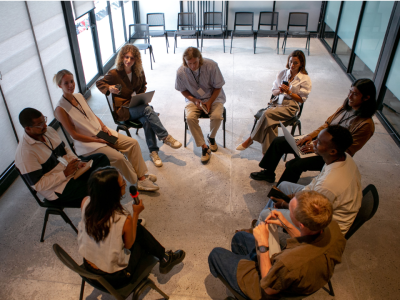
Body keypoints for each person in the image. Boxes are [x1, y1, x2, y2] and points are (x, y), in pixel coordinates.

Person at [208, 190, 346, 298]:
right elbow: (307, 242)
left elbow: (268, 288)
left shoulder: (289, 263)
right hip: (295, 276)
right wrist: (286, 225)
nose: (285, 210)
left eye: (290, 211)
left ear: (302, 225)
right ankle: (246, 265)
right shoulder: (333, 228)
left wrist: (263, 245)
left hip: (267, 290)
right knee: (240, 238)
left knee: (216, 254)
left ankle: (243, 282)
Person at [251, 78, 377, 185]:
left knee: (294, 164)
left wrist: (317, 147)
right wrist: (311, 136)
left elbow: (348, 150)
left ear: (366, 98)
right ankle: (268, 173)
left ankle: (282, 195)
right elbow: (326, 125)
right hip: (319, 142)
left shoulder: (366, 125)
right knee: (279, 142)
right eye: (350, 91)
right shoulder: (345, 108)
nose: (349, 96)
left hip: (330, 154)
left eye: (355, 94)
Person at [78, 167, 185, 289]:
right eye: (122, 182)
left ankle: (164, 257)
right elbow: (129, 244)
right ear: (112, 192)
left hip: (88, 268)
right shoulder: (122, 219)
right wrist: (136, 215)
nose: (124, 181)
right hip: (113, 278)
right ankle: (164, 257)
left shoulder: (85, 202)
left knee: (134, 230)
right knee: (139, 235)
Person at [53, 69, 159, 192]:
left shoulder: (79, 96)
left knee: (133, 143)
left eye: (72, 81)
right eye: (66, 83)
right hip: (87, 143)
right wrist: (97, 140)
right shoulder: (60, 109)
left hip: (100, 132)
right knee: (119, 158)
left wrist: (103, 127)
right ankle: (137, 181)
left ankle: (141, 177)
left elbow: (92, 115)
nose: (71, 85)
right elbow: (74, 135)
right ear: (59, 85)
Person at [258, 125, 362, 235]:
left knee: (266, 215)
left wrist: (285, 204)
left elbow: (310, 213)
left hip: (325, 227)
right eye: (316, 139)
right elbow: (312, 186)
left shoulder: (328, 185)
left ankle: (259, 239)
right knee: (283, 186)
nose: (314, 143)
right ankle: (264, 226)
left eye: (319, 142)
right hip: (320, 204)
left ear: (332, 151)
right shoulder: (342, 157)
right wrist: (292, 196)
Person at [96, 44, 182, 167]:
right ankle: (165, 137)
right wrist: (109, 87)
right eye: (126, 57)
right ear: (122, 57)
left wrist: (140, 97)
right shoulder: (115, 73)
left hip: (136, 106)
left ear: (136, 59)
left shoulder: (138, 71)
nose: (129, 60)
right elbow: (99, 83)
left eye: (132, 58)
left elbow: (143, 85)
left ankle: (153, 152)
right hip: (123, 109)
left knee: (147, 118)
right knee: (148, 110)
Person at [15, 108, 110, 207]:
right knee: (98, 189)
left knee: (101, 158)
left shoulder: (49, 131)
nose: (45, 125)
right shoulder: (25, 154)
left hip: (71, 171)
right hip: (59, 189)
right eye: (39, 125)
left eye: (44, 120)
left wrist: (76, 161)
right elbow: (38, 185)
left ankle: (106, 191)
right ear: (27, 128)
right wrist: (64, 174)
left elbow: (65, 149)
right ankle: (107, 210)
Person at [236, 50, 312, 154]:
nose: (292, 65)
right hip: (276, 102)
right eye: (290, 62)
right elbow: (274, 91)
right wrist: (280, 91)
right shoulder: (283, 73)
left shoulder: (305, 79)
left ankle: (250, 139)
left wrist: (289, 92)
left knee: (267, 114)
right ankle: (267, 156)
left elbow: (302, 99)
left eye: (295, 63)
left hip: (290, 107)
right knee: (270, 124)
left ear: (301, 63)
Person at [175, 47, 226, 163]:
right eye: (189, 63)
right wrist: (193, 99)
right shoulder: (180, 72)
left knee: (217, 116)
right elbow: (182, 90)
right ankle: (204, 147)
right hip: (194, 99)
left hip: (214, 97)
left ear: (200, 58)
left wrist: (210, 101)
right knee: (189, 117)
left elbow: (218, 86)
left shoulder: (212, 65)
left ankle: (211, 137)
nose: (193, 66)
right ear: (185, 61)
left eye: (195, 62)